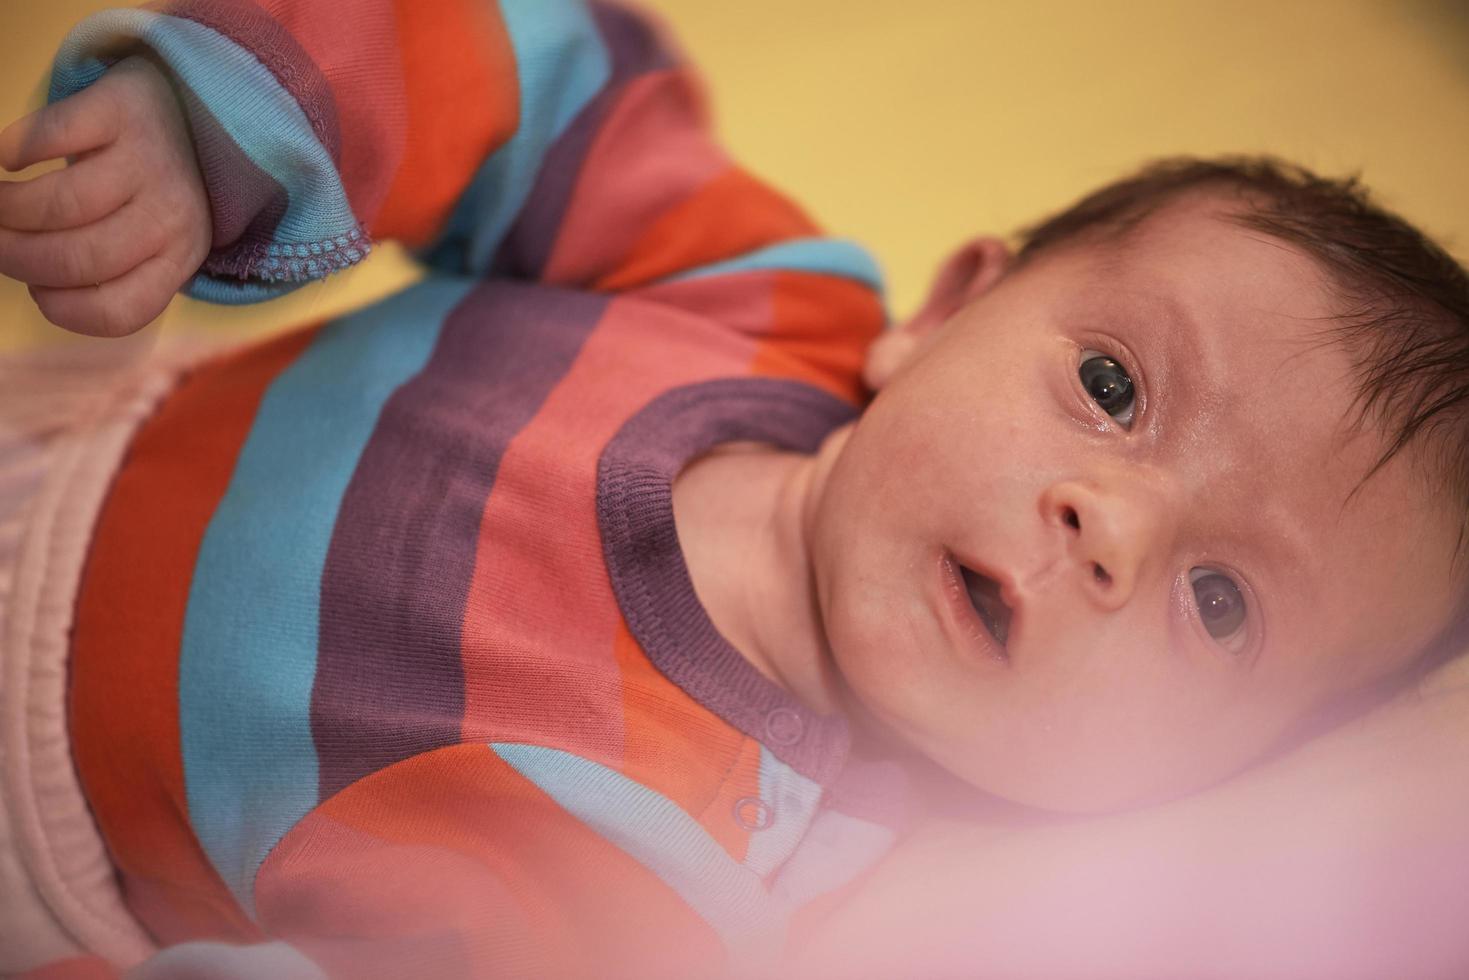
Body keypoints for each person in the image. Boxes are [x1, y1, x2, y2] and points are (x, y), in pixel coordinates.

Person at [1, 1, 1466, 976]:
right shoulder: (753, 293)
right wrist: (226, 134)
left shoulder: (685, 890)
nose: (1115, 528)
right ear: (950, 311)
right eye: (1109, 388)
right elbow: (538, 70)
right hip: (68, 413)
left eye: (1220, 603)